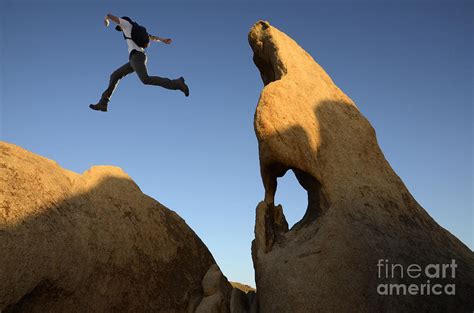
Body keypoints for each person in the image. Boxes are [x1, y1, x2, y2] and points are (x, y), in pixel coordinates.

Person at [90, 14, 189, 112]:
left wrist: (106, 19)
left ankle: (177, 83)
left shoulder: (126, 24)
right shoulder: (133, 29)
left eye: (119, 26)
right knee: (115, 75)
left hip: (137, 57)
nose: (120, 29)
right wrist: (163, 40)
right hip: (134, 59)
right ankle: (103, 103)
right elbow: (151, 37)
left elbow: (109, 15)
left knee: (145, 79)